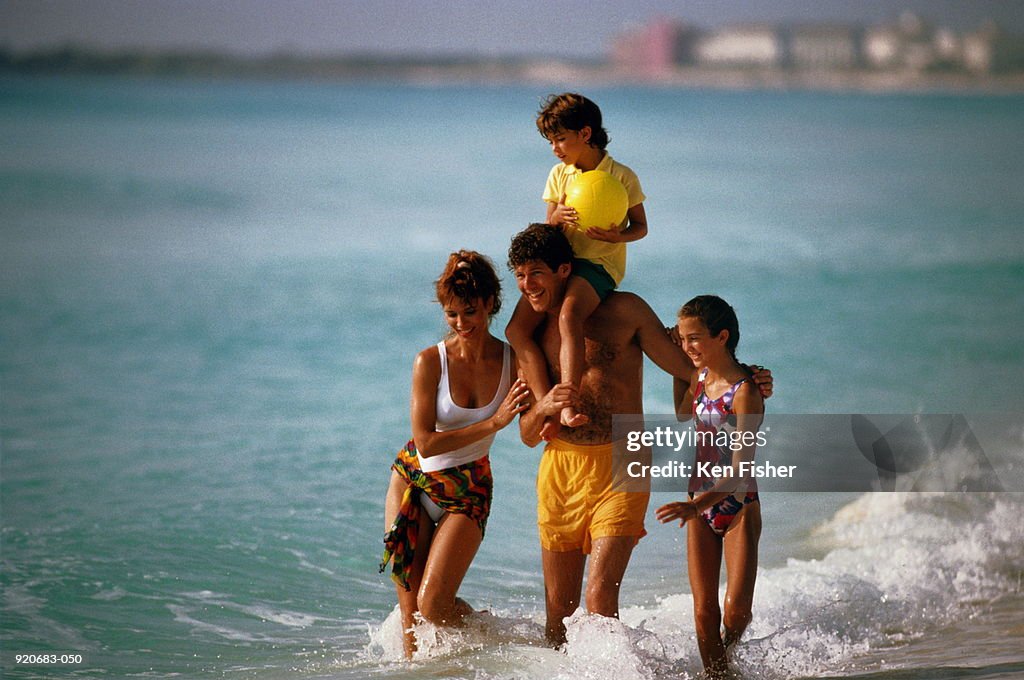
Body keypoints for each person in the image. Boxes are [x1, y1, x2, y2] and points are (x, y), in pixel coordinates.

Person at [507, 225, 771, 646]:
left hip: (622, 461)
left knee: (598, 600)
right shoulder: (533, 334)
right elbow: (526, 434)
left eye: (535, 274)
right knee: (559, 617)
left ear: (565, 269)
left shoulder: (627, 311)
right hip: (560, 469)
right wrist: (542, 406)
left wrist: (749, 381)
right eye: (519, 276)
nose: (527, 286)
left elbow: (697, 373)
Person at [380, 250, 530, 658]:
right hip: (413, 480)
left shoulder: (512, 361)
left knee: (434, 607)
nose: (462, 323)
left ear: (490, 305)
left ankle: (494, 631)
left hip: (469, 489)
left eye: (470, 312)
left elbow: (534, 425)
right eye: (452, 315)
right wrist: (494, 423)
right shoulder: (430, 361)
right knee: (411, 622)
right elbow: (426, 441)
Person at [507, 93, 648, 441]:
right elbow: (547, 231)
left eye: (560, 139)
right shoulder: (559, 174)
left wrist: (618, 238)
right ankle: (546, 404)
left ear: (585, 133)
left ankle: (567, 402)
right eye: (551, 141)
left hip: (598, 265)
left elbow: (641, 227)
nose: (555, 148)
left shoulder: (622, 176)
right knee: (516, 330)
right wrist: (555, 217)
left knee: (569, 317)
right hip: (562, 265)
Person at [655, 295, 764, 678]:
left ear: (722, 337)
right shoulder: (699, 378)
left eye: (695, 339)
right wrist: (678, 367)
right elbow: (684, 414)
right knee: (703, 611)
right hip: (699, 504)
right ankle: (717, 676)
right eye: (682, 339)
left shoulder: (746, 393)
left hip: (737, 505)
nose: (687, 347)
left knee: (737, 612)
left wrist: (694, 507)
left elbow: (738, 473)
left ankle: (726, 660)